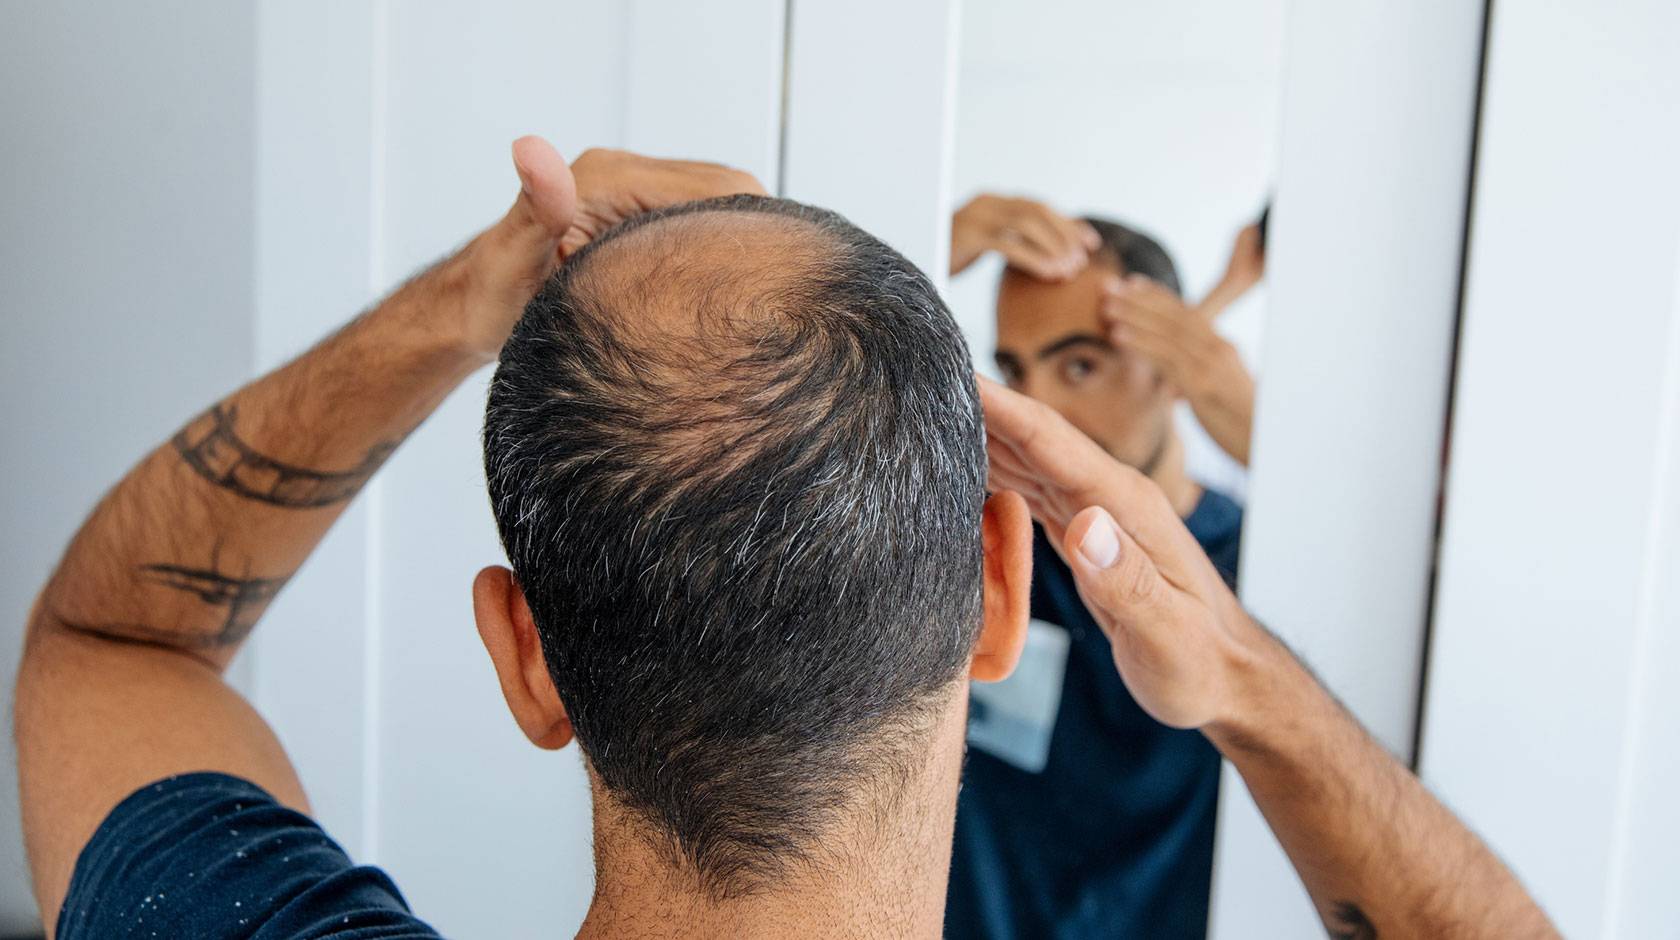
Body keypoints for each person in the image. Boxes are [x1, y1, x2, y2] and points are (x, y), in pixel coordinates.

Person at [13, 137, 1554, 940]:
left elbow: (111, 644)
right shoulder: (1124, 603)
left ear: (527, 659)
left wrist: (461, 303)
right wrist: (1252, 686)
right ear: (999, 585)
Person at [944, 195, 1256, 938]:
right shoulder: (985, 539)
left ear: (1174, 371)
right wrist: (922, 252)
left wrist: (1265, 435)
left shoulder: (1257, 567)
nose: (1034, 411)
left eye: (1079, 365)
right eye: (1015, 371)